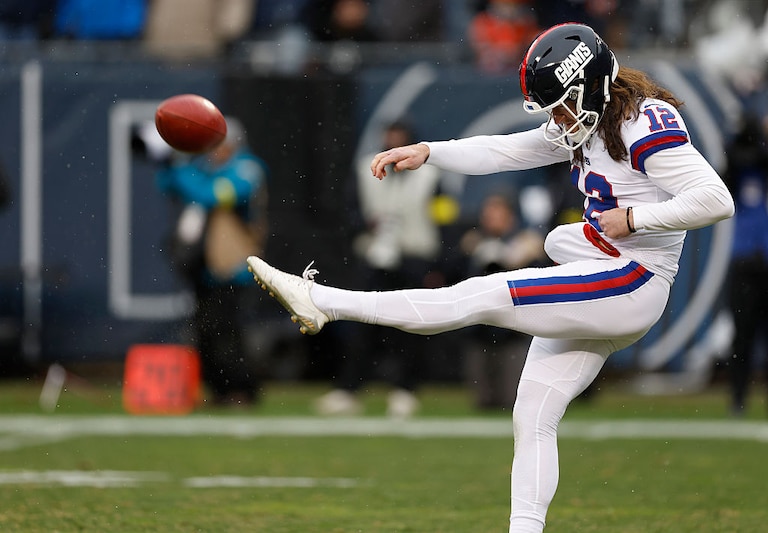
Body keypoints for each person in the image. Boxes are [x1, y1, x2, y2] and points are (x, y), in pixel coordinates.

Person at [245, 23, 734, 532]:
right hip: (609, 273)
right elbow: (507, 151)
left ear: (590, 85)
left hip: (633, 278)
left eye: (561, 105)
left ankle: (323, 300)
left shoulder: (643, 120)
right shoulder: (591, 119)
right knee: (533, 417)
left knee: (478, 294)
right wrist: (430, 151)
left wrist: (636, 220)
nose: (557, 120)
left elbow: (715, 200)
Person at [314, 120, 443, 418]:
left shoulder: (430, 175)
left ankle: (405, 389)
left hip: (414, 255)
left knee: (409, 325)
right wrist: (366, 224)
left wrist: (437, 263)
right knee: (362, 324)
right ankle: (350, 389)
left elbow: (444, 215)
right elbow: (348, 213)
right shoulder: (364, 170)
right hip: (374, 254)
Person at [157, 117, 269, 407]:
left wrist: (180, 167)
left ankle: (242, 390)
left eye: (217, 145)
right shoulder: (207, 169)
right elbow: (166, 183)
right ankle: (219, 390)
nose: (212, 151)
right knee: (205, 331)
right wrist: (169, 160)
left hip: (233, 264)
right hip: (205, 263)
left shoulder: (247, 168)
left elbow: (211, 196)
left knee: (227, 330)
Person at [459, 192, 546, 410]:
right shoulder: (473, 242)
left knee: (514, 399)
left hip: (514, 331)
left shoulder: (526, 243)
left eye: (498, 214)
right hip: (482, 329)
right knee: (484, 400)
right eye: (489, 215)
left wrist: (516, 259)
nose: (493, 220)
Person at [723, 112, 768, 416]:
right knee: (742, 335)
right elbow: (729, 167)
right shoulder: (745, 169)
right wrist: (747, 132)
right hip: (745, 262)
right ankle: (738, 399)